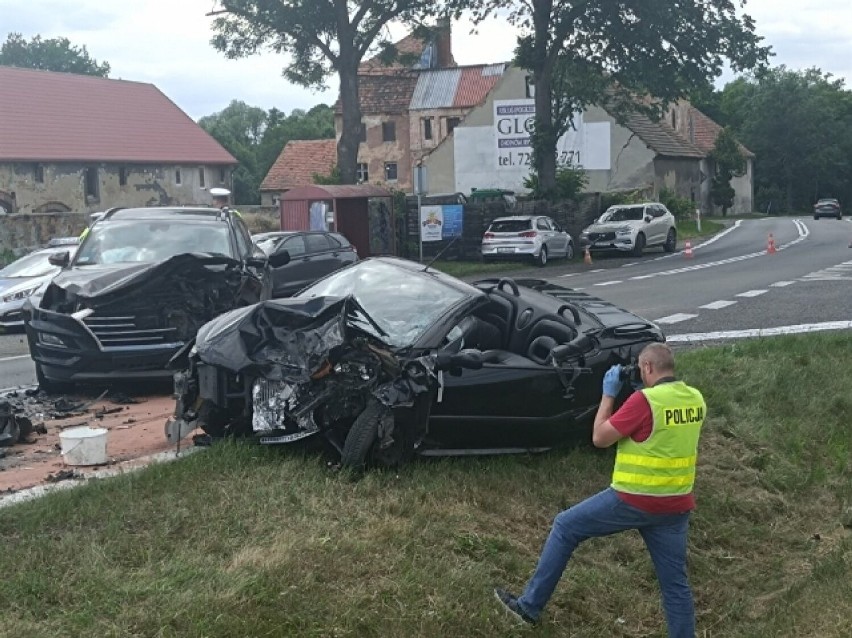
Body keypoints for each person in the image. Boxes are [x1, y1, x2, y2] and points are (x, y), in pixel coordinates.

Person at [494, 342, 706, 637]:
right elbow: (659, 433)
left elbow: (600, 438)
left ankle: (529, 608)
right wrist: (637, 393)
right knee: (675, 585)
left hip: (633, 499)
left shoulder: (644, 402)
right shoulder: (695, 399)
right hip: (676, 507)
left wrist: (608, 394)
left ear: (646, 368)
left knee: (565, 526)